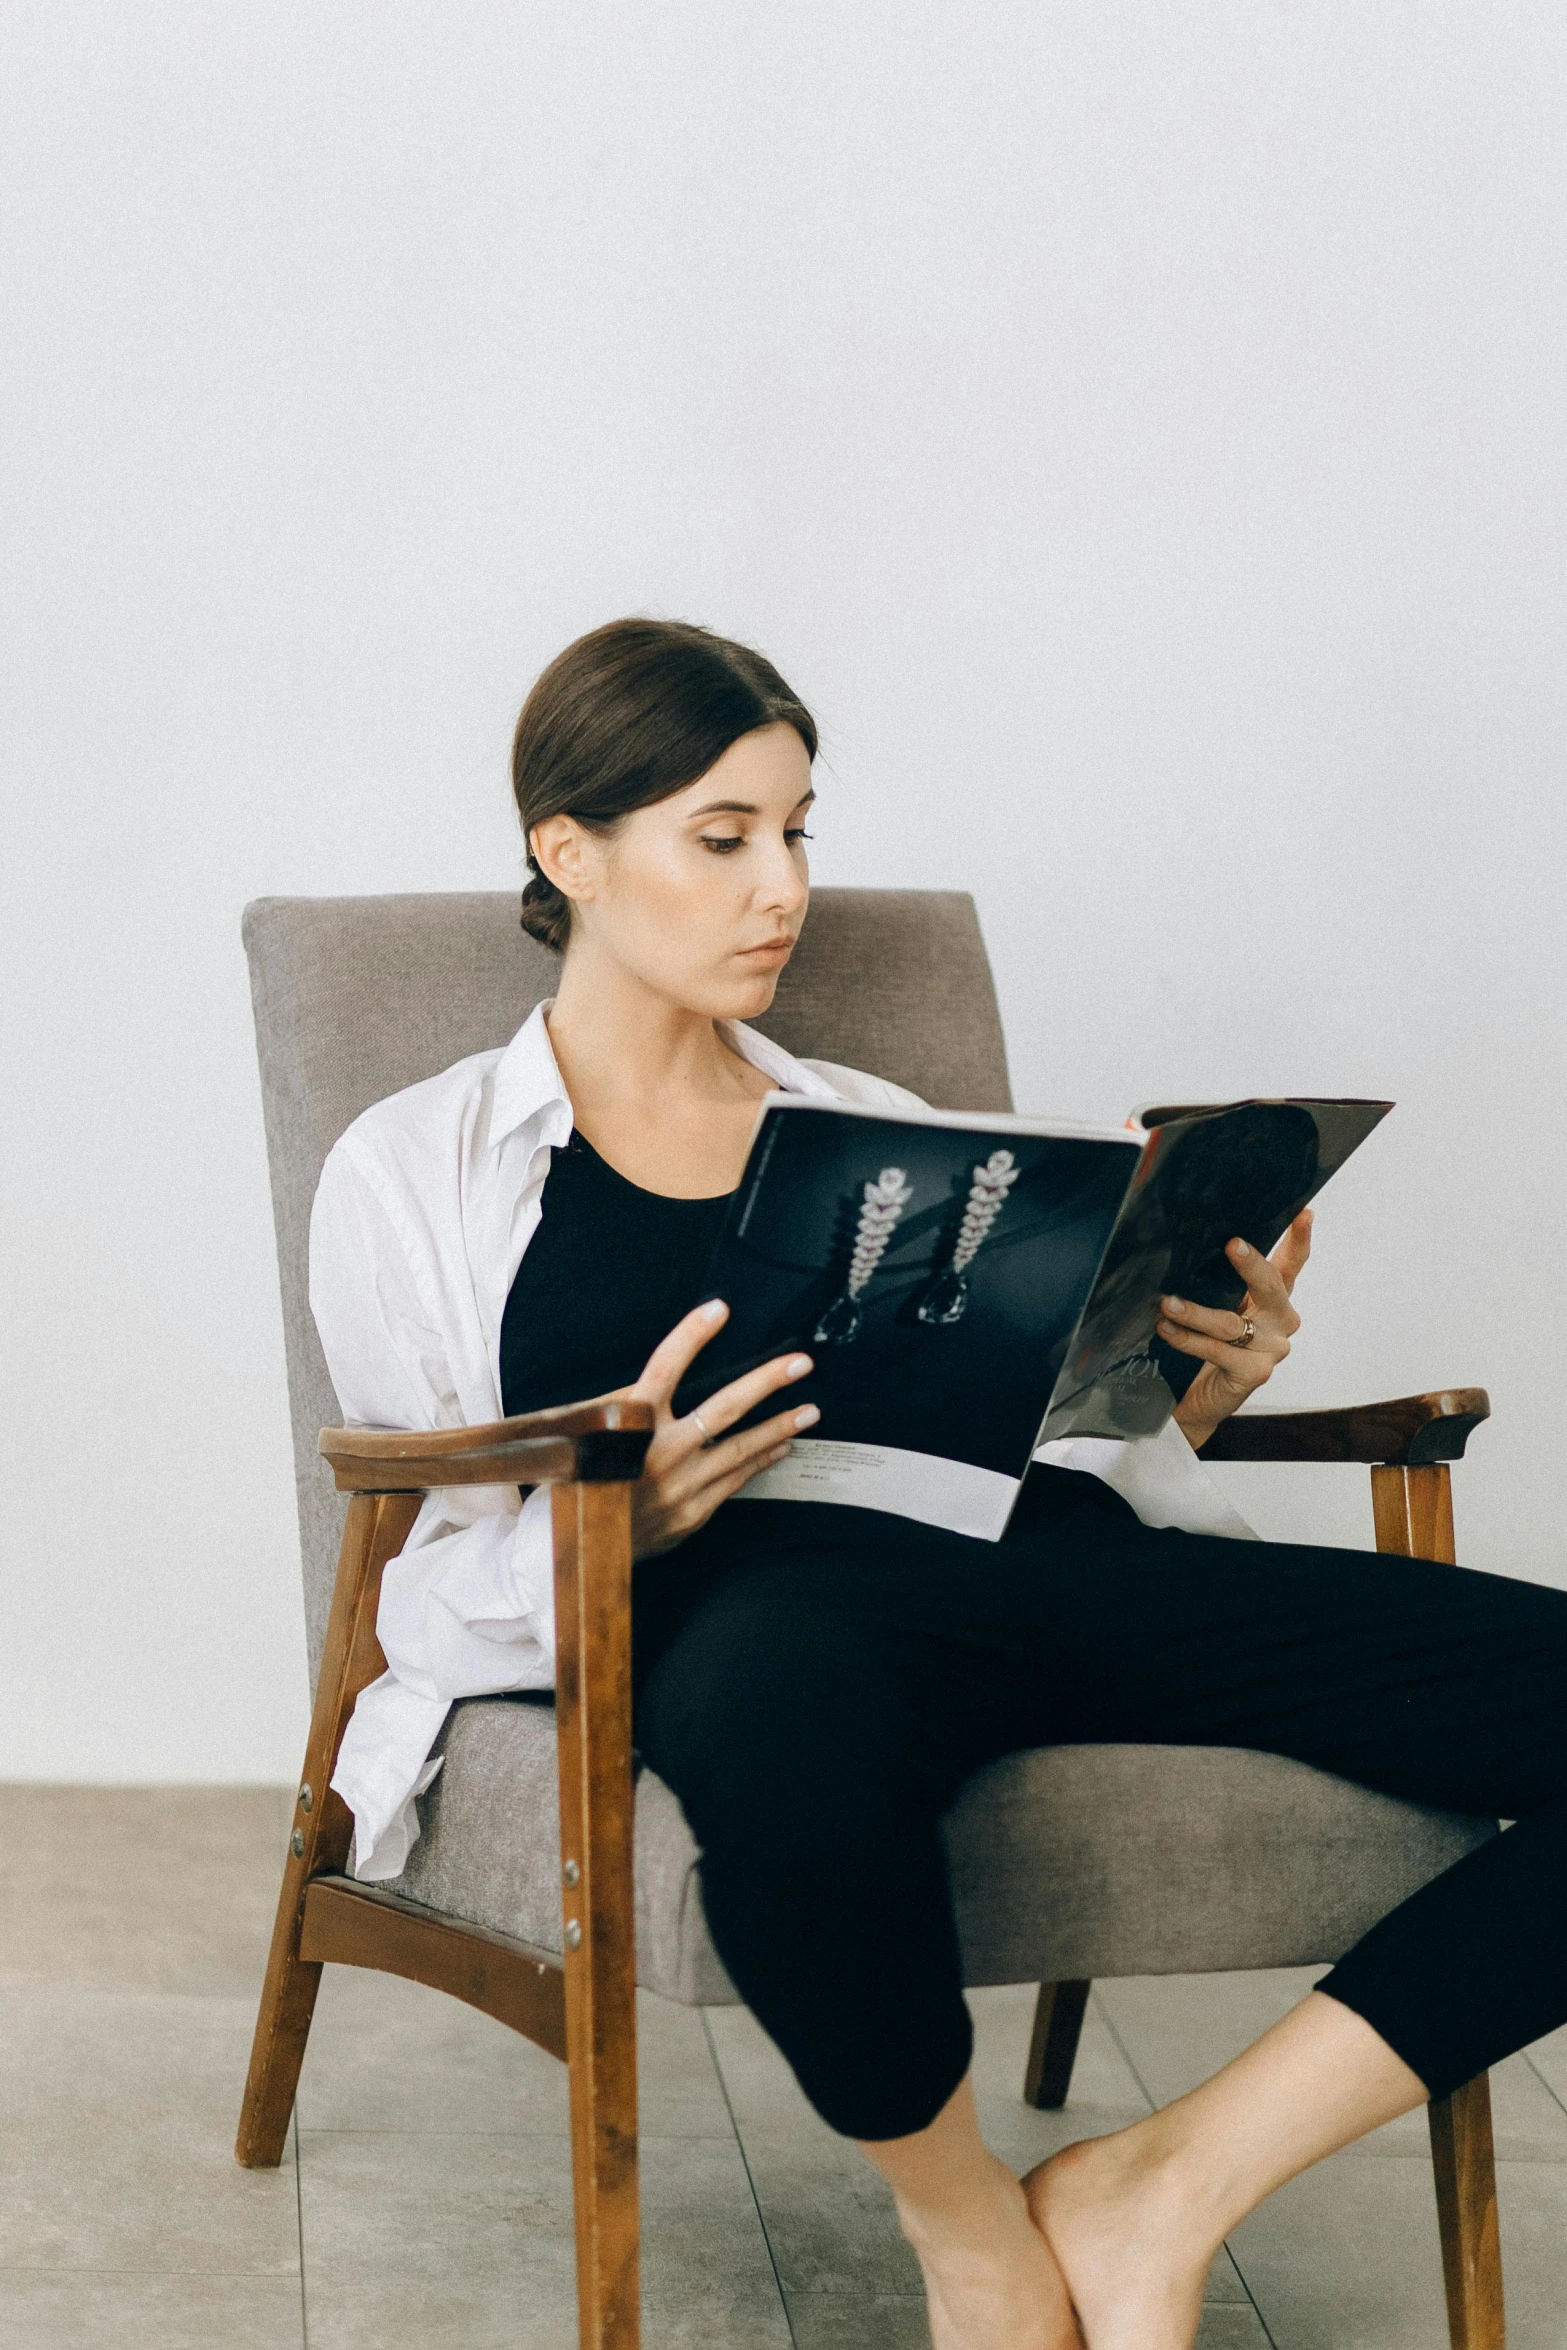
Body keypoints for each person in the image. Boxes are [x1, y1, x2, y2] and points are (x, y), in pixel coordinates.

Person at [310, 618, 1567, 2350]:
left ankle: (1170, 2182)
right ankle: (970, 2233)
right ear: (569, 852)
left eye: (799, 829)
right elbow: (418, 1539)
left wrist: (1188, 1381)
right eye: (724, 834)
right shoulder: (420, 1165)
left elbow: (1049, 1426)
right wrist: (629, 1511)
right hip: (739, 1602)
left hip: (1031, 1560)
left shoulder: (873, 1121)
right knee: (789, 1747)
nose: (782, 887)